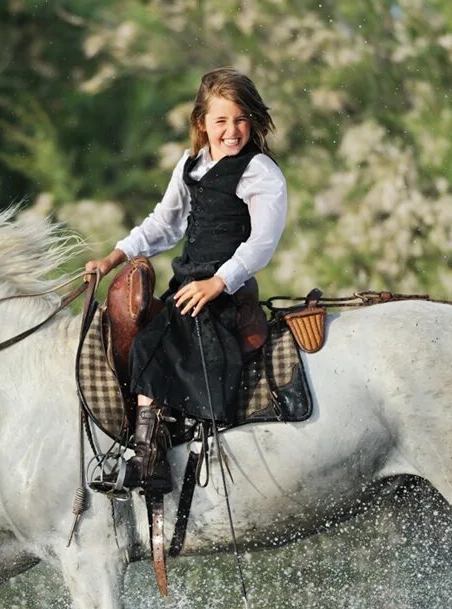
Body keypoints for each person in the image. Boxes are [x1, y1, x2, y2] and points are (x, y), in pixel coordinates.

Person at [86, 67, 287, 495]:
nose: (232, 130)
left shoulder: (259, 171)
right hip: (187, 286)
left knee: (152, 346)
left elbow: (262, 243)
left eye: (241, 119)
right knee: (138, 336)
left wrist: (219, 282)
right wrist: (114, 256)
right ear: (202, 122)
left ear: (252, 120)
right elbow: (165, 223)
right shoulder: (191, 164)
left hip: (223, 293)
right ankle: (148, 445)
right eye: (221, 120)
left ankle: (148, 463)